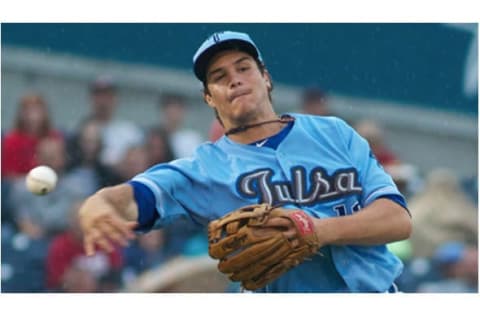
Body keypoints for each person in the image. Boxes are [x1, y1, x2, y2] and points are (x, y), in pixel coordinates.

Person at [78, 31, 412, 293]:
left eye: (243, 68)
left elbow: (397, 220)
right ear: (209, 97)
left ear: (265, 77)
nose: (234, 79)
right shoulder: (206, 168)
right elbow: (139, 196)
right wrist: (100, 202)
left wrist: (318, 230)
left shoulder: (334, 132)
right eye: (219, 76)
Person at [157, 92, 204, 158]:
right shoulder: (155, 138)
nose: (173, 113)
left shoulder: (192, 139)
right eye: (170, 108)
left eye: (177, 109)